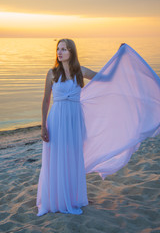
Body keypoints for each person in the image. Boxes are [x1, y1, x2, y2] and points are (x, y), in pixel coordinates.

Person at [36, 39, 160, 217]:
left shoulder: (80, 72)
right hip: (56, 120)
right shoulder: (52, 73)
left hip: (74, 121)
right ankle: (55, 199)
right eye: (58, 48)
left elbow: (107, 79)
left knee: (72, 158)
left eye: (64, 49)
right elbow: (46, 101)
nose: (59, 52)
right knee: (56, 158)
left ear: (72, 52)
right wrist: (43, 126)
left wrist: (119, 58)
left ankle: (72, 198)